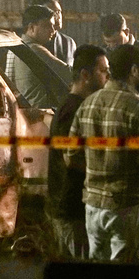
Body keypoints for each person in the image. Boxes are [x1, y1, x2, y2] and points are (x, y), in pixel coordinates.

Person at [74, 43, 139, 261]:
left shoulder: (88, 104)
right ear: (133, 71)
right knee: (126, 275)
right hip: (127, 208)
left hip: (93, 208)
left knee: (97, 274)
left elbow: (71, 156)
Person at [49, 44, 109, 258]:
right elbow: (71, 159)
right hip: (72, 210)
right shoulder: (72, 109)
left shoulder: (78, 106)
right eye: (103, 71)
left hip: (76, 209)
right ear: (85, 75)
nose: (108, 76)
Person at [5, 4, 70, 108]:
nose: (53, 30)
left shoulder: (18, 47)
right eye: (47, 26)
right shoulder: (34, 49)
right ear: (32, 27)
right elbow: (67, 72)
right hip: (41, 112)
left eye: (53, 26)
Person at [100, 12, 139, 101]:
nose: (112, 46)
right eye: (108, 42)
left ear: (126, 32)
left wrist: (126, 98)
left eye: (116, 41)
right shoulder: (103, 54)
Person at [31, 0, 76, 66]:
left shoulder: (68, 42)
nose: (58, 17)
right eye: (53, 13)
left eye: (59, 12)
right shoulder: (33, 42)